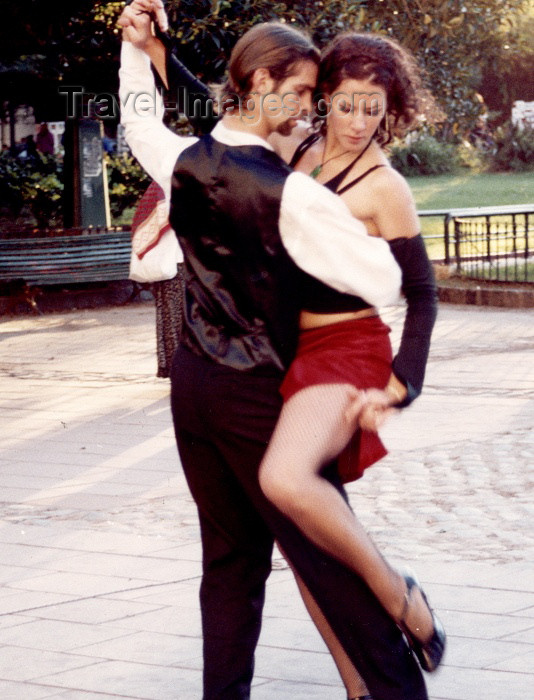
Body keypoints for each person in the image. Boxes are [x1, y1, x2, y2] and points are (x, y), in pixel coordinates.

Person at [118, 4, 428, 699]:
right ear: (262, 83)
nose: (306, 107)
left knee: (228, 568)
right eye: (299, 91)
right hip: (256, 387)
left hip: (191, 385)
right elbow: (382, 280)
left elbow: (142, 121)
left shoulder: (184, 159)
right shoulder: (293, 195)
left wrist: (139, 54)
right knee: (325, 561)